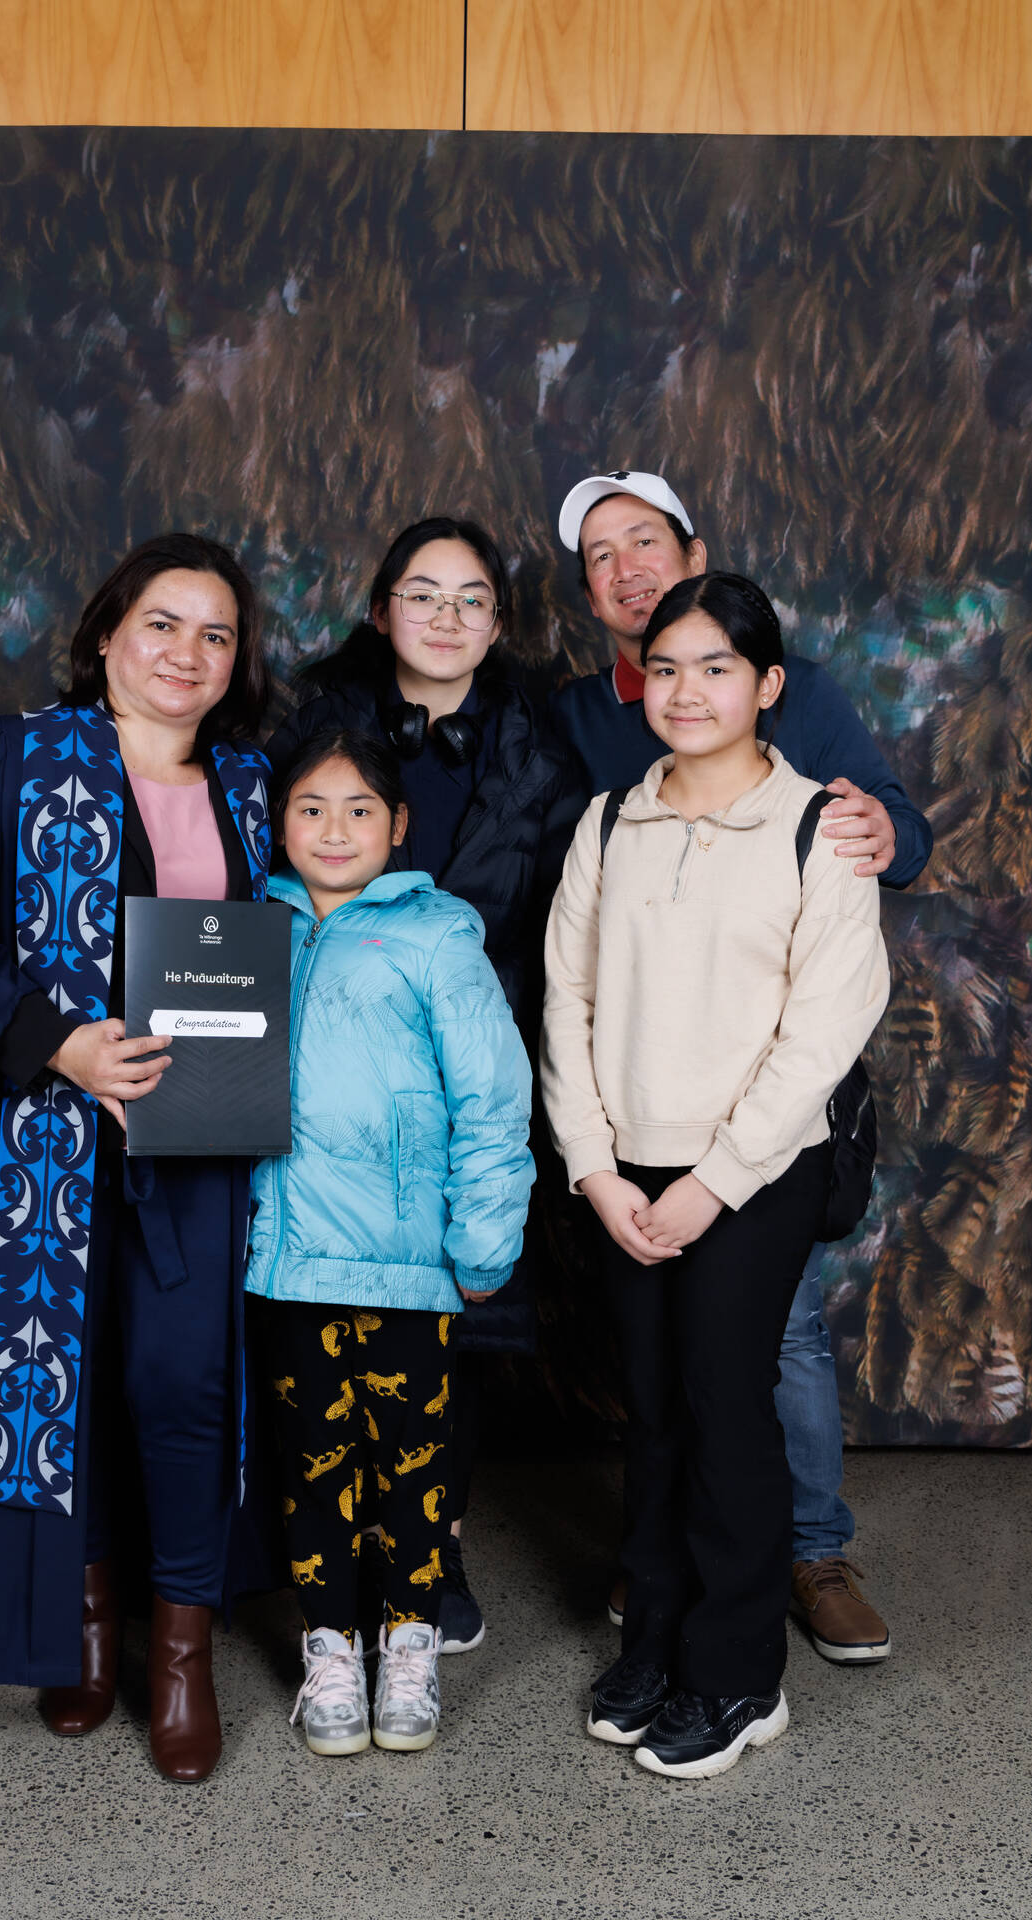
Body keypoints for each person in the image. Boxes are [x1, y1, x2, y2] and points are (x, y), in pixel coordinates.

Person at [0, 532, 273, 1783]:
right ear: (107, 634)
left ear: (239, 662)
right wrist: (59, 1045)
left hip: (200, 1145)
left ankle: (180, 1652)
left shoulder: (252, 786)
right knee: (56, 1384)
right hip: (38, 1145)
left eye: (217, 634)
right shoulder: (13, 762)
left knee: (183, 1386)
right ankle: (78, 1629)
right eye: (163, 623)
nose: (187, 653)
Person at [550, 470, 932, 1663]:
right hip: (635, 1101)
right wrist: (594, 1155)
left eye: (643, 540)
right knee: (666, 1378)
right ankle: (674, 1577)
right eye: (599, 555)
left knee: (770, 1345)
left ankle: (801, 1557)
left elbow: (893, 846)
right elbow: (573, 958)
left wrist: (882, 831)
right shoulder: (583, 731)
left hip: (766, 1109)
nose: (625, 567)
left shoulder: (797, 697)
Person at [266, 518, 581, 1654]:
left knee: (448, 1338)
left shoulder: (541, 751)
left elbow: (568, 919)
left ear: (498, 622)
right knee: (315, 1352)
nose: (445, 618)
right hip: (331, 1091)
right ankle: (326, 1572)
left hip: (471, 1063)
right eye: (421, 594)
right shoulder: (311, 729)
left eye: (470, 599)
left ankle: (427, 1555)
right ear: (380, 608)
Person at [247, 728, 534, 1755]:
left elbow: (492, 1097)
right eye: (310, 808)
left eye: (360, 809)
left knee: (413, 1469)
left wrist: (484, 1242)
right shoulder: (246, 932)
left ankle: (408, 1645)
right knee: (312, 1465)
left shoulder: (435, 938)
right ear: (279, 822)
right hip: (289, 1261)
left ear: (398, 823)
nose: (334, 830)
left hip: (409, 1266)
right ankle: (329, 1646)